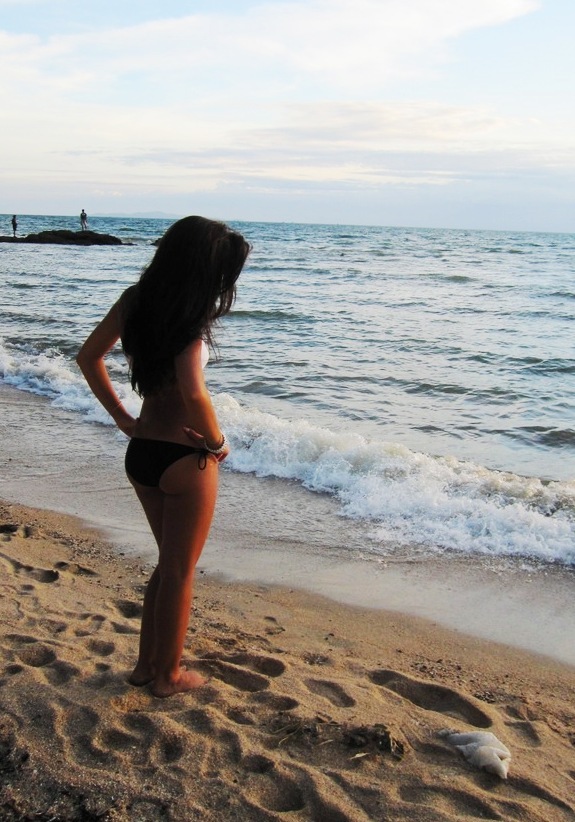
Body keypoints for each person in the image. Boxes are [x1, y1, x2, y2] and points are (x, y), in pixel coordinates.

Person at [76, 216, 250, 696]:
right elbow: (194, 393)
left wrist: (121, 417)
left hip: (143, 450)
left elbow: (88, 356)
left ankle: (144, 667)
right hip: (185, 459)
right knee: (179, 570)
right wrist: (216, 442)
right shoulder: (189, 319)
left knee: (167, 565)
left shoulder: (136, 300)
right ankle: (169, 676)